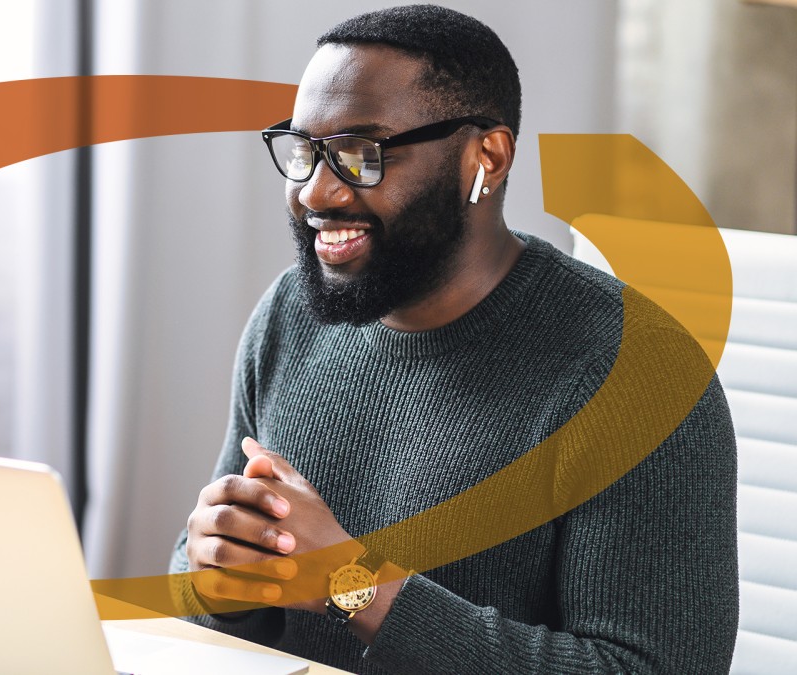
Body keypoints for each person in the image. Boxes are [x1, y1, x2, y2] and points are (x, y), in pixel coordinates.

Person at [168, 5, 739, 674]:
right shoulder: (290, 312)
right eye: (304, 151)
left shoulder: (634, 373)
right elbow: (204, 582)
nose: (314, 191)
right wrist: (220, 577)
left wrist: (352, 581)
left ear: (486, 157)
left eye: (360, 154)